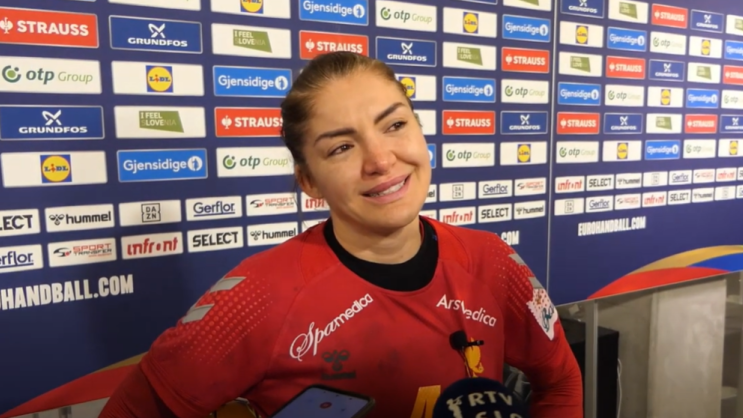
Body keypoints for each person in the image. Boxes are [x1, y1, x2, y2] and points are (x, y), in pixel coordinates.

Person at [99, 51, 582, 418]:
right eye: (341, 148)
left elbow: (560, 381)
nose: (381, 160)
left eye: (395, 125)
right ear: (309, 181)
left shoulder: (491, 260)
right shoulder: (257, 298)